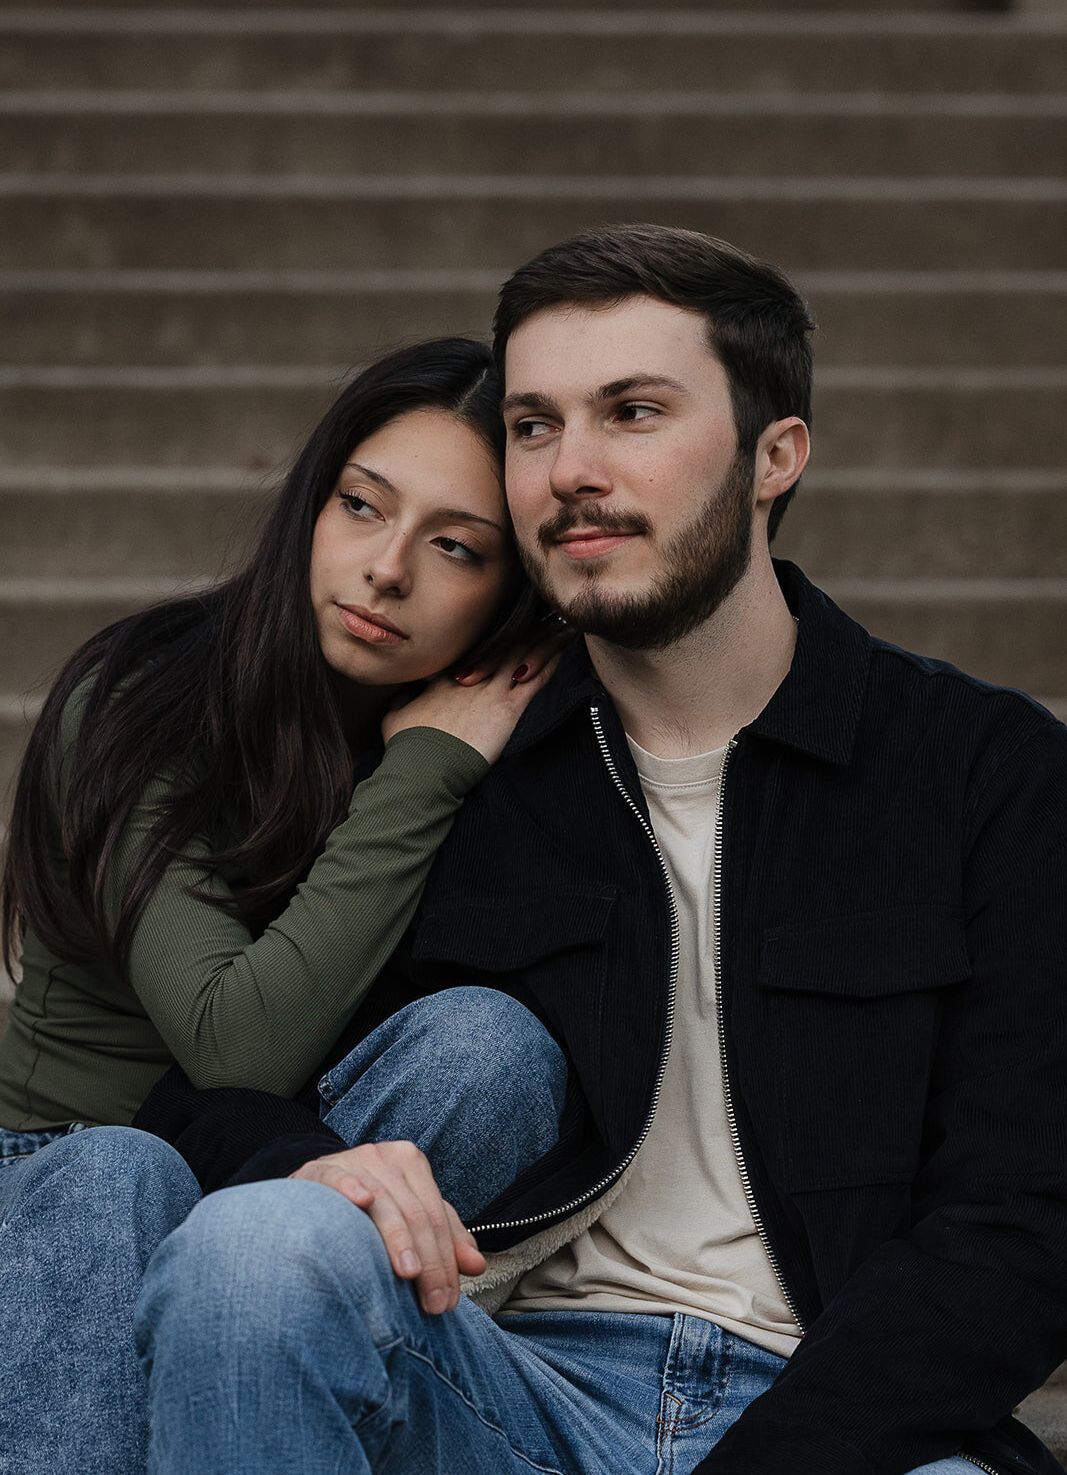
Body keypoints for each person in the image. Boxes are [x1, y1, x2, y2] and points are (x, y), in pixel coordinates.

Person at [135, 227, 1067, 1475]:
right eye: (532, 425)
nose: (568, 470)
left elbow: (1020, 1222)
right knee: (255, 1250)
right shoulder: (455, 763)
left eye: (630, 413)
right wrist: (320, 1166)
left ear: (771, 456)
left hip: (840, 1421)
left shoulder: (980, 770)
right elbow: (200, 1097)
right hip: (511, 1387)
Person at [0, 336, 564, 1475]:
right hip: (53, 1188)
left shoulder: (504, 741)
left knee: (489, 1050)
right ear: (313, 500)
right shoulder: (146, 695)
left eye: (454, 547)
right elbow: (236, 1039)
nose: (385, 569)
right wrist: (422, 773)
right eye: (362, 506)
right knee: (125, 1171)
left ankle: (259, 1344)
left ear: (510, 593)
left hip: (274, 1183)